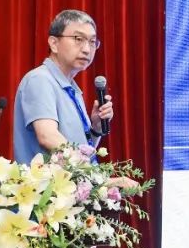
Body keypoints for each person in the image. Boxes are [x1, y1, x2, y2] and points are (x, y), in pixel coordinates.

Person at [13, 9, 114, 164]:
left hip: (76, 179)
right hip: (46, 180)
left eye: (92, 42)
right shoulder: (40, 79)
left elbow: (82, 152)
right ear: (54, 43)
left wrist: (95, 129)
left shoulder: (72, 89)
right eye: (78, 39)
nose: (87, 49)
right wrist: (92, 173)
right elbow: (48, 137)